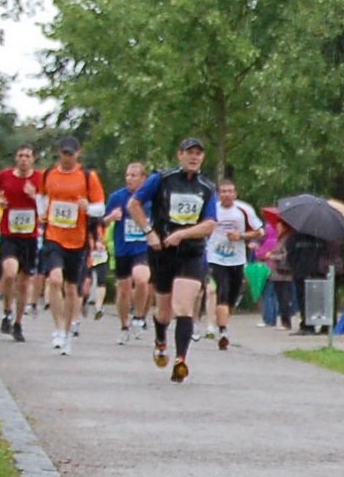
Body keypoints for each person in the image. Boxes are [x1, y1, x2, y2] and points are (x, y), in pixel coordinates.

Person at [128, 138, 218, 382]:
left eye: (199, 154)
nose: (194, 157)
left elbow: (210, 224)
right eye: (190, 153)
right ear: (180, 155)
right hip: (162, 251)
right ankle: (160, 339)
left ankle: (181, 360)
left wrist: (183, 234)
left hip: (191, 252)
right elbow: (134, 204)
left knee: (183, 306)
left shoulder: (207, 188)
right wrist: (149, 232)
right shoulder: (161, 179)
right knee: (165, 309)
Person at [37, 135, 106, 355]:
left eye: (71, 153)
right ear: (59, 153)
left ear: (78, 154)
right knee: (54, 280)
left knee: (71, 288)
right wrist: (42, 213)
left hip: (77, 241)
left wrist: (88, 208)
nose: (67, 157)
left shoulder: (88, 177)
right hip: (54, 236)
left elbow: (100, 209)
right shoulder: (48, 174)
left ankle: (67, 332)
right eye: (64, 153)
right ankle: (57, 328)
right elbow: (41, 197)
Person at [0, 143, 40, 342]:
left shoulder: (39, 178)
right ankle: (7, 312)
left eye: (27, 156)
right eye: (20, 155)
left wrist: (34, 196)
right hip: (9, 233)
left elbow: (47, 202)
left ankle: (18, 323)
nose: (24, 159)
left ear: (33, 159)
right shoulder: (5, 176)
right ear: (15, 158)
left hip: (29, 236)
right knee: (9, 274)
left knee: (25, 282)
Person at [204, 178, 263, 350]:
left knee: (231, 296)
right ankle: (223, 332)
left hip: (237, 259)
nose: (227, 195)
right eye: (223, 191)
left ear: (235, 193)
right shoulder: (211, 209)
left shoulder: (244, 210)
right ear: (218, 194)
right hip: (215, 257)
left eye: (230, 191)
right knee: (222, 290)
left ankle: (221, 322)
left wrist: (241, 236)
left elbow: (260, 231)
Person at [104, 161, 153, 345]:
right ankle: (124, 326)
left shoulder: (151, 198)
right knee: (123, 289)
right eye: (127, 175)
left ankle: (139, 317)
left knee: (141, 279)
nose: (129, 179)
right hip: (123, 248)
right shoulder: (117, 197)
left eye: (134, 176)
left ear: (143, 179)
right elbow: (102, 222)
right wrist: (111, 217)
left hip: (143, 247)